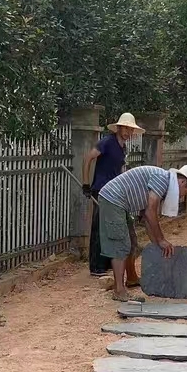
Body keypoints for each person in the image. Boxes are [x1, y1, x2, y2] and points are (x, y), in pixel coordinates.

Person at [98, 164, 187, 300]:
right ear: (183, 183)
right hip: (113, 199)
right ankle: (119, 291)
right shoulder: (163, 179)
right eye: (185, 193)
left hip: (120, 203)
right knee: (120, 245)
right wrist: (161, 240)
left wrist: (157, 244)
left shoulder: (164, 182)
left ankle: (132, 278)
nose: (182, 197)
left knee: (132, 243)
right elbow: (150, 211)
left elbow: (146, 218)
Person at [83, 113, 143, 283]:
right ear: (118, 128)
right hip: (101, 190)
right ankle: (96, 267)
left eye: (130, 129)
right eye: (125, 128)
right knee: (99, 227)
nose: (128, 132)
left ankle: (108, 264)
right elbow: (88, 158)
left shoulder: (122, 148)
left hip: (115, 192)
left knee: (112, 228)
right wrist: (86, 183)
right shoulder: (107, 142)